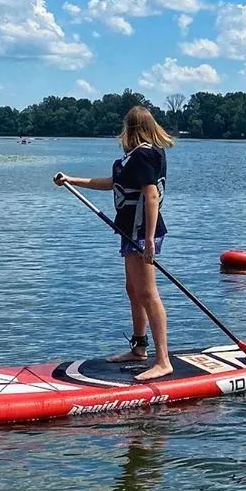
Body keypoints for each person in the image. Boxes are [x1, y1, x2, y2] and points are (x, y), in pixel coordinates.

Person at [54, 106, 173, 381]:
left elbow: (152, 196)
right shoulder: (134, 157)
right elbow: (112, 183)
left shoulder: (144, 155)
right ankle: (139, 347)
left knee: (147, 293)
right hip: (131, 231)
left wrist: (149, 242)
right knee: (133, 289)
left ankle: (163, 359)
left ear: (130, 127)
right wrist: (73, 180)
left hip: (141, 233)